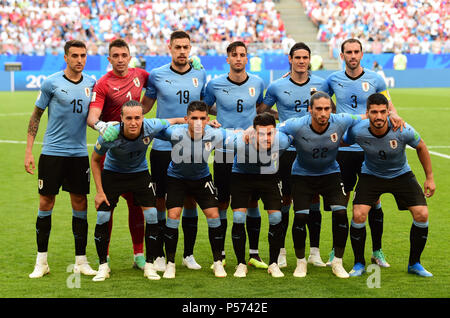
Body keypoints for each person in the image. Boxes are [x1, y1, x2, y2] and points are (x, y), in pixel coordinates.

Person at [324, 38, 403, 268]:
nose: (353, 56)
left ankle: (377, 251)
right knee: (342, 200)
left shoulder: (375, 78)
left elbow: (388, 105)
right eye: (348, 52)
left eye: (356, 52)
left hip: (371, 148)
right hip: (345, 148)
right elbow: (320, 102)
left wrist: (395, 115)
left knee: (374, 200)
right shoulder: (332, 80)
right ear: (342, 55)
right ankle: (335, 251)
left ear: (362, 54)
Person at [25, 40, 97, 278]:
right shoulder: (51, 83)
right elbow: (36, 116)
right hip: (52, 154)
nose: (79, 60)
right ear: (65, 57)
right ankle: (41, 262)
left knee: (80, 203)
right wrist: (28, 152)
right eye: (75, 55)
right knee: (46, 203)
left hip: (78, 155)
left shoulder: (91, 83)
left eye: (83, 55)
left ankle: (81, 261)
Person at [90, 100, 184, 281]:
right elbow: (94, 160)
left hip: (139, 174)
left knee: (151, 216)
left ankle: (149, 265)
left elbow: (173, 120)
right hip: (113, 174)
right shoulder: (110, 135)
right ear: (121, 119)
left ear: (143, 118)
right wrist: (99, 191)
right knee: (102, 217)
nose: (133, 122)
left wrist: (193, 122)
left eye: (137, 118)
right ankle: (103, 266)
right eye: (129, 118)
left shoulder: (151, 126)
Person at [344, 93, 435, 277]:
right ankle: (359, 263)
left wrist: (430, 177)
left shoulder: (402, 129)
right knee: (359, 214)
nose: (378, 116)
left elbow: (421, 146)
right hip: (371, 175)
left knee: (422, 214)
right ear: (367, 113)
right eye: (374, 112)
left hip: (401, 175)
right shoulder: (358, 130)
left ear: (388, 112)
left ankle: (414, 263)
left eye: (382, 112)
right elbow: (341, 141)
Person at [278, 91, 366, 279]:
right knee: (300, 217)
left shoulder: (341, 119)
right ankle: (301, 263)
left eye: (327, 109)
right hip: (302, 175)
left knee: (341, 213)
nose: (323, 113)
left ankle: (337, 262)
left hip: (330, 174)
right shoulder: (297, 124)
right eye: (319, 109)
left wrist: (392, 116)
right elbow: (277, 128)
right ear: (310, 110)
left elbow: (364, 116)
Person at [260, 42, 329, 269]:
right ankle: (281, 251)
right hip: (286, 151)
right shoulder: (277, 86)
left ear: (310, 60)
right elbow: (262, 110)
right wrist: (281, 116)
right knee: (285, 200)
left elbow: (331, 109)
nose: (301, 61)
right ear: (290, 59)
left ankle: (315, 252)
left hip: (314, 150)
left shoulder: (321, 84)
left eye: (305, 57)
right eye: (297, 57)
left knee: (314, 198)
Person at [143, 30, 208, 272]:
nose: (182, 51)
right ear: (169, 48)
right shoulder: (157, 75)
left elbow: (204, 106)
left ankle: (188, 254)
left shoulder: (200, 73)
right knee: (161, 200)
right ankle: (159, 253)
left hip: (193, 146)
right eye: (177, 47)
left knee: (190, 199)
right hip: (162, 146)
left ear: (190, 48)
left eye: (185, 47)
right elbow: (144, 107)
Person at [87, 38, 151, 270]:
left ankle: (139, 255)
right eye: (116, 56)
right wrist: (102, 126)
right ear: (109, 59)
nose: (121, 60)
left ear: (129, 55)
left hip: (134, 156)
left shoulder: (141, 75)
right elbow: (92, 117)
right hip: (110, 157)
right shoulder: (103, 84)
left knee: (137, 207)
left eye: (124, 55)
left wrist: (194, 68)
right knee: (107, 208)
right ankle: (104, 259)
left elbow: (161, 84)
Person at [204, 41, 267, 269]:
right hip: (223, 150)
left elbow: (260, 109)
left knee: (252, 201)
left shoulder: (258, 82)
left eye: (242, 54)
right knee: (222, 201)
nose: (238, 58)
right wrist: (213, 118)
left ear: (247, 58)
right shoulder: (215, 85)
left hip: (252, 150)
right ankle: (219, 254)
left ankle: (253, 253)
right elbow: (204, 109)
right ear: (227, 59)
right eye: (234, 55)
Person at [156, 101, 228, 279]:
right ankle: (170, 264)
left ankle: (218, 262)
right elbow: (153, 126)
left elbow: (237, 135)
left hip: (201, 179)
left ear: (208, 120)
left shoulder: (215, 133)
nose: (198, 122)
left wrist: (249, 133)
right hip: (176, 179)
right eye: (193, 118)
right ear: (186, 119)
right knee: (172, 216)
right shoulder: (175, 132)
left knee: (214, 215)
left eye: (202, 118)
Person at [230, 113, 292, 278]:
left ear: (276, 132)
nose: (266, 138)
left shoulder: (283, 140)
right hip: (242, 175)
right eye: (261, 134)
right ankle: (241, 264)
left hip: (269, 176)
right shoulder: (240, 142)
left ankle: (273, 264)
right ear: (254, 133)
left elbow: (293, 127)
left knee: (276, 217)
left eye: (270, 133)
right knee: (238, 217)